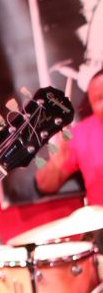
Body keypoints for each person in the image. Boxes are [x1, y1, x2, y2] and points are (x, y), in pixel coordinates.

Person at [35, 67, 103, 205]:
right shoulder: (81, 134)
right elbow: (45, 185)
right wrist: (56, 163)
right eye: (100, 98)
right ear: (92, 105)